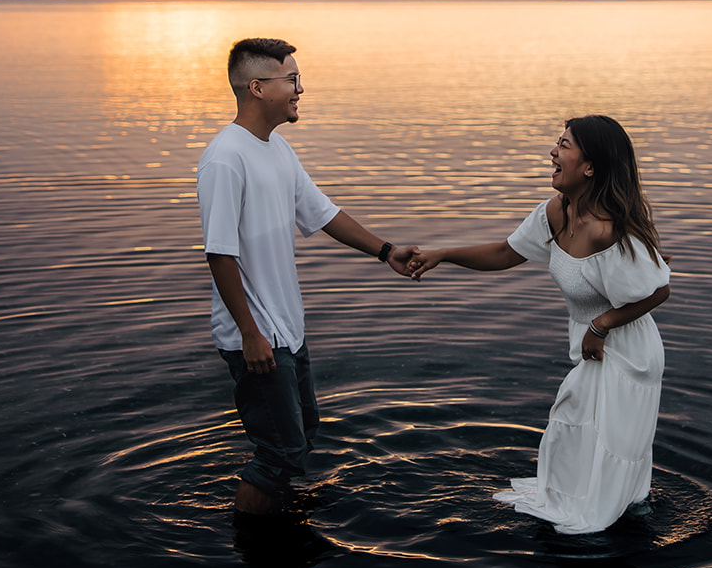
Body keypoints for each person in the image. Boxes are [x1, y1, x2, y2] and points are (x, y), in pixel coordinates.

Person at [408, 115, 670, 534]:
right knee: (574, 435)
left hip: (627, 354)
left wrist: (602, 324)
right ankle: (603, 516)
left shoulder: (607, 232)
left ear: (590, 166)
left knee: (602, 447)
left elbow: (658, 291)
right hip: (593, 348)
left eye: (564, 145)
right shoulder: (557, 212)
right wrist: (443, 253)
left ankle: (604, 534)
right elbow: (504, 252)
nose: (553, 151)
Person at [197, 36, 418, 517]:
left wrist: (386, 252)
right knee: (279, 451)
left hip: (287, 329)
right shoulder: (225, 158)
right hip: (257, 336)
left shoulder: (276, 150)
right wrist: (250, 334)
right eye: (291, 79)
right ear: (257, 87)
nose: (301, 88)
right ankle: (251, 546)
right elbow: (219, 254)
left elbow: (324, 214)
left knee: (301, 436)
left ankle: (281, 521)